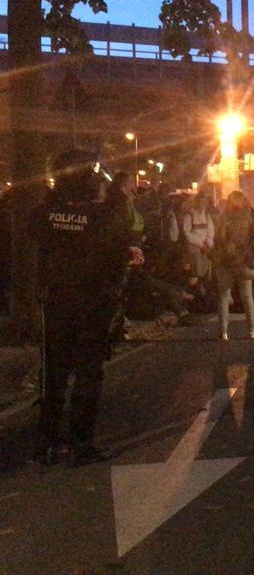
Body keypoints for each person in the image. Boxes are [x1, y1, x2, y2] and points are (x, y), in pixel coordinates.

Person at [33, 149, 139, 467]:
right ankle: (81, 442)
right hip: (93, 303)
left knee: (53, 373)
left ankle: (49, 443)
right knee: (88, 372)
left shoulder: (43, 214)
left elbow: (37, 233)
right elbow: (118, 249)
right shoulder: (103, 217)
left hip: (55, 302)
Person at [213, 191, 254, 341]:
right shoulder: (248, 219)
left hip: (225, 261)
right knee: (247, 296)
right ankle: (252, 329)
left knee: (224, 296)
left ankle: (223, 331)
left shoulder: (222, 219)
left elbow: (217, 240)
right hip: (242, 261)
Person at [182, 191, 216, 281]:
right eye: (201, 202)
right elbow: (187, 234)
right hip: (194, 244)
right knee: (196, 257)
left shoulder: (207, 215)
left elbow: (210, 231)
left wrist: (209, 243)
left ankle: (208, 278)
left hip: (205, 244)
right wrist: (200, 244)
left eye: (205, 202)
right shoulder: (189, 215)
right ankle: (197, 277)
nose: (203, 204)